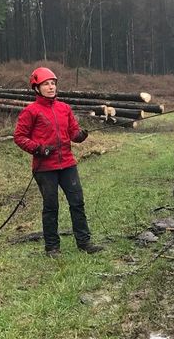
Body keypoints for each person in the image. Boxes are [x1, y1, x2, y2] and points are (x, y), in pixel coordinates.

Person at [14, 67, 103, 258]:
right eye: (46, 84)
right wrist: (38, 148)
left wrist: (81, 135)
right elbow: (20, 137)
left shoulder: (64, 108)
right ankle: (52, 248)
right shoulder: (31, 111)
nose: (51, 87)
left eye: (53, 83)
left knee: (77, 202)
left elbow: (74, 134)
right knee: (51, 206)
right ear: (36, 88)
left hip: (68, 165)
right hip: (45, 168)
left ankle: (84, 242)